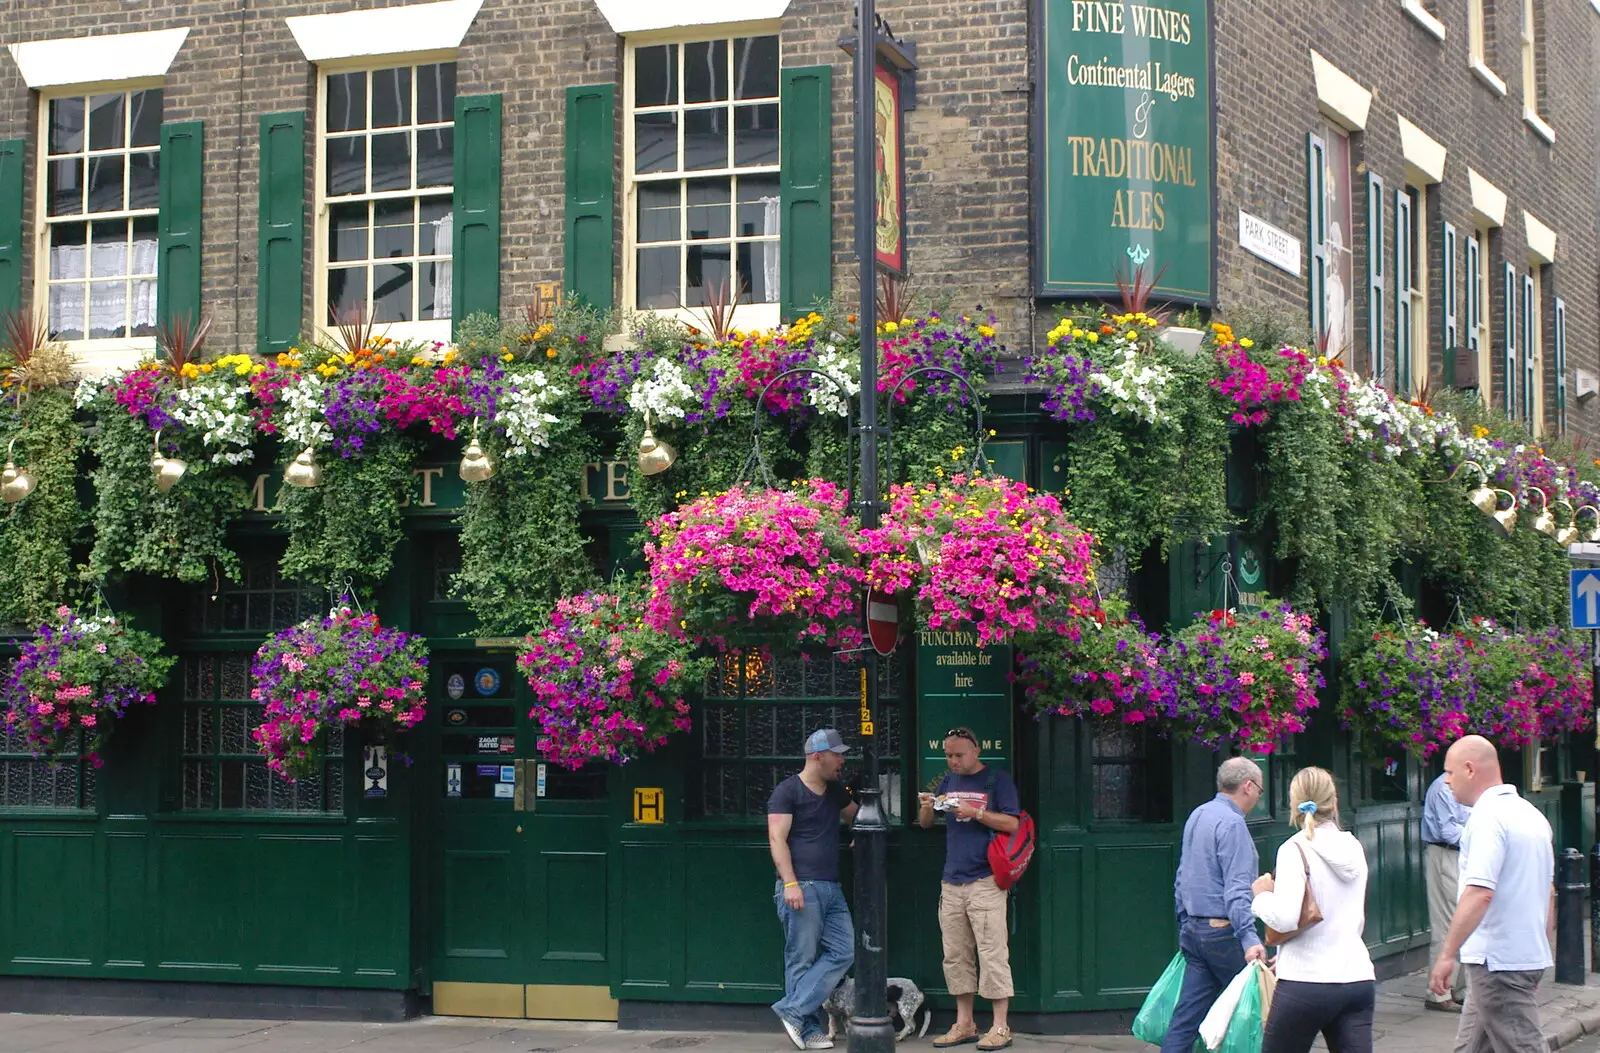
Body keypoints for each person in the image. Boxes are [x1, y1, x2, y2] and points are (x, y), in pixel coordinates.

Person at [1428, 735, 1554, 1053]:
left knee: (1522, 1047)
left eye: (1450, 772)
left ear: (1470, 769)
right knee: (1470, 1048)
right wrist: (1539, 952)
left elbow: (1479, 893)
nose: (1446, 781)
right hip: (1514, 957)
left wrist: (1446, 955)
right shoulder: (1531, 815)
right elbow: (1548, 893)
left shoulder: (1486, 818)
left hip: (1497, 961)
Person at [1250, 766, 1375, 1053]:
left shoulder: (1294, 849)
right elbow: (1353, 917)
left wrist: (1260, 897)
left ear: (1293, 803)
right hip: (1356, 979)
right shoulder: (1353, 846)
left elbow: (1285, 918)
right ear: (1334, 802)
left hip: (1305, 982)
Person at [917, 727, 1022, 1052]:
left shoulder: (997, 781)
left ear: (976, 751)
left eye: (959, 755)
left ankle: (1001, 1026)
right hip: (952, 881)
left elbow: (1013, 823)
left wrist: (975, 812)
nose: (953, 761)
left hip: (986, 880)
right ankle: (965, 1024)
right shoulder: (948, 782)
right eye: (948, 755)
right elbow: (925, 824)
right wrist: (926, 805)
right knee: (955, 955)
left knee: (993, 953)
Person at [1160, 756, 1268, 1053]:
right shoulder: (1232, 823)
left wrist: (1185, 920)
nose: (1259, 797)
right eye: (1260, 790)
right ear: (1247, 786)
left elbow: (1183, 875)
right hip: (1223, 933)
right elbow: (1236, 889)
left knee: (1185, 1020)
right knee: (1262, 1013)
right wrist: (1249, 938)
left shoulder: (1199, 814)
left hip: (1194, 932)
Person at [767, 728, 859, 1051]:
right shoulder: (787, 791)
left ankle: (792, 1010)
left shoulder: (835, 791)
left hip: (831, 887)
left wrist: (860, 830)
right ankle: (807, 1030)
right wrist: (790, 883)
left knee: (844, 950)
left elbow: (857, 816)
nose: (842, 760)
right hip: (801, 886)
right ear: (817, 756)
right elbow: (776, 839)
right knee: (800, 960)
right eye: (837, 754)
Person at [1422, 768, 1472, 1011]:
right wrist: (1480, 833)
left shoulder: (1467, 786)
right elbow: (1449, 832)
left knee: (1467, 920)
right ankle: (1439, 994)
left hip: (1461, 855)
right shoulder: (1444, 787)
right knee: (1449, 923)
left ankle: (1462, 990)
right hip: (1445, 854)